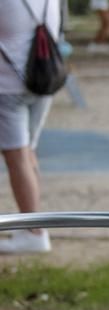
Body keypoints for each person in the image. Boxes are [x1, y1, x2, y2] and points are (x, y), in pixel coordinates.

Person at [0, 0, 60, 254]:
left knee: (17, 157)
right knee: (27, 153)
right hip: (43, 78)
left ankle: (34, 232)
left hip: (7, 83)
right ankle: (33, 222)